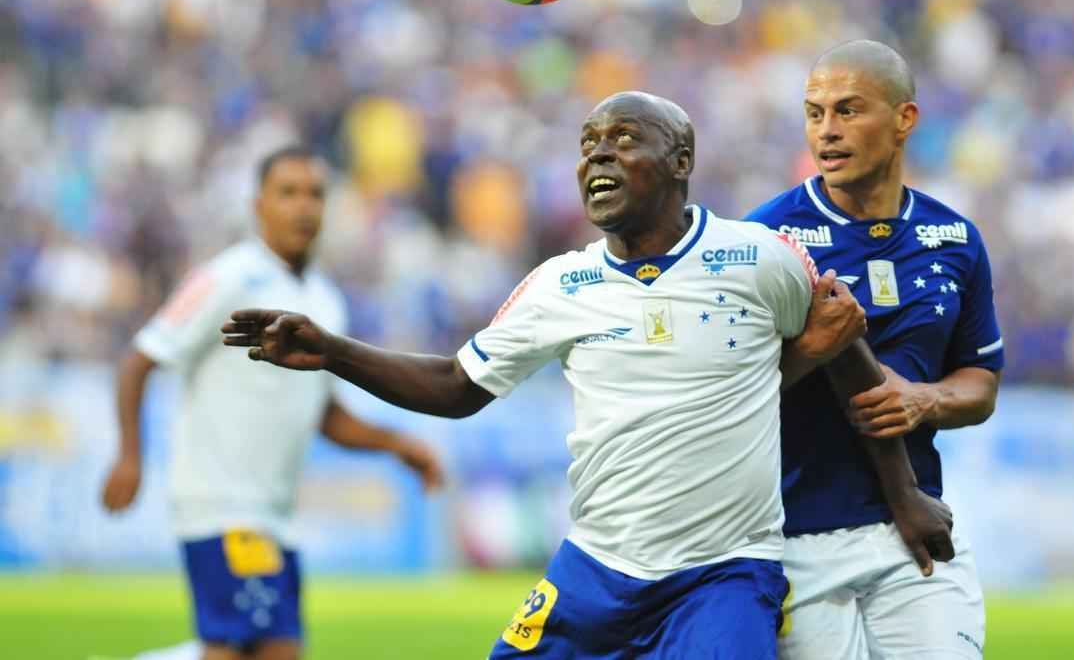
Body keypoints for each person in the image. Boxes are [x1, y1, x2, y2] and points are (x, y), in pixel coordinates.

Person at [221, 92, 879, 658]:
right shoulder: (560, 284)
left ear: (681, 161)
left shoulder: (758, 257)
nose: (597, 156)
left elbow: (844, 340)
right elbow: (456, 385)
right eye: (588, 144)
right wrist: (334, 350)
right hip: (596, 569)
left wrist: (903, 496)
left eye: (623, 140)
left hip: (721, 575)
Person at [100, 147, 446, 660]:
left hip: (274, 514)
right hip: (221, 504)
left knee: (267, 652)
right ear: (258, 205)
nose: (303, 207)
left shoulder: (326, 300)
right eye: (288, 193)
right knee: (259, 651)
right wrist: (130, 455)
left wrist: (397, 444)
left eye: (314, 194)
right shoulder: (230, 278)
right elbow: (141, 358)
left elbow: (326, 415)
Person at [745, 40, 1004, 659]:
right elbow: (730, 390)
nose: (826, 132)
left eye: (848, 111)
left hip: (915, 534)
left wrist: (925, 399)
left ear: (904, 120)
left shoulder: (954, 238)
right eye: (814, 113)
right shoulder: (767, 239)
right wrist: (811, 351)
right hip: (795, 540)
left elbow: (982, 381)